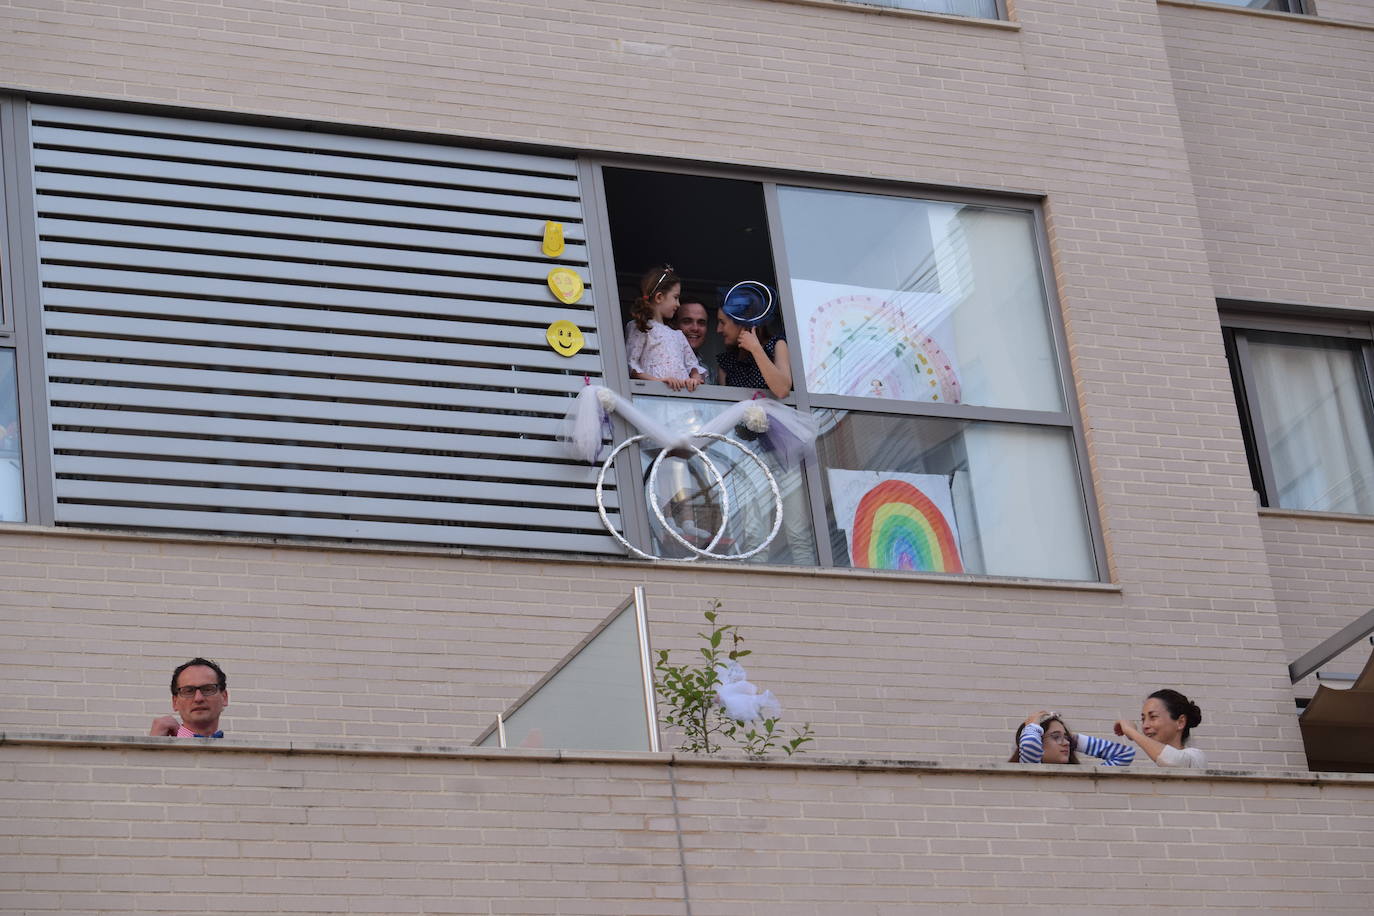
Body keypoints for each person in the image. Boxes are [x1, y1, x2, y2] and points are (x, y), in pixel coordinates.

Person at [626, 264, 707, 391]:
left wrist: (694, 378)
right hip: (655, 399)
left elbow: (693, 366)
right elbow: (632, 366)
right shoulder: (642, 327)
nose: (678, 304)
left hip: (681, 400)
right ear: (659, 297)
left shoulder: (678, 335)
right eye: (675, 297)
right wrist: (659, 381)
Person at [1113, 688, 1205, 768]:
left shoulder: (1196, 757)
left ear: (1180, 722)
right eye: (1143, 719)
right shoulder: (1157, 764)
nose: (1145, 725)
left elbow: (1174, 761)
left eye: (1153, 717)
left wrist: (1131, 731)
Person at [1010, 709, 1135, 766]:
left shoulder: (1080, 778)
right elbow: (1029, 745)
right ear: (1039, 740)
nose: (1066, 743)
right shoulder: (1029, 766)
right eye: (1056, 737)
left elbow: (1125, 754)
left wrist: (1075, 741)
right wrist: (1033, 724)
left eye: (1066, 738)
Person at [716, 305, 791, 398]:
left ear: (741, 322)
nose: (718, 329)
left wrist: (755, 349)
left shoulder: (776, 345)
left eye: (722, 322)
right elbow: (724, 402)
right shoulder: (726, 362)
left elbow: (783, 390)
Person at [149, 657, 229, 738]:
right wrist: (152, 746)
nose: (198, 698)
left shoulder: (237, 750)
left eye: (207, 689)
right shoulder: (154, 746)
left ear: (224, 697)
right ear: (175, 702)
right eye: (188, 691)